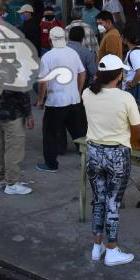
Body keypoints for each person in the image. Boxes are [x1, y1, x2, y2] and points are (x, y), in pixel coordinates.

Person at [82, 54, 140, 266]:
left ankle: (97, 247)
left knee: (98, 200)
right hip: (117, 155)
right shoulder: (126, 98)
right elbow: (138, 128)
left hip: (94, 153)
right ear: (118, 76)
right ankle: (112, 250)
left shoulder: (87, 93)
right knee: (112, 203)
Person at [36, 27, 86, 173]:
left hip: (56, 102)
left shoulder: (48, 57)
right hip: (74, 100)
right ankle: (90, 161)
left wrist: (40, 100)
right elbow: (82, 73)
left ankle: (51, 164)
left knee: (50, 134)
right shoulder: (73, 53)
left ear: (50, 40)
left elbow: (43, 82)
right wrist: (78, 91)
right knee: (80, 133)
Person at [0, 90, 35, 195]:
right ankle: (12, 184)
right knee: (14, 150)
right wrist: (29, 115)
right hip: (13, 116)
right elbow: (23, 95)